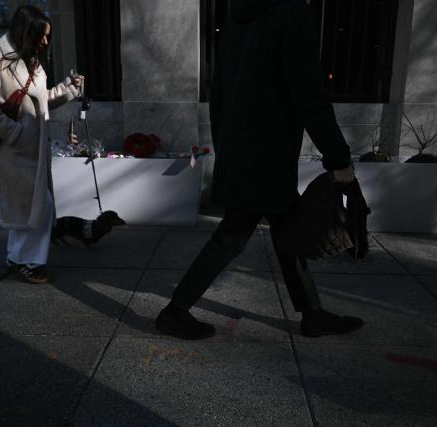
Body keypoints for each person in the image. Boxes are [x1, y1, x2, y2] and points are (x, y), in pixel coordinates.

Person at [155, 0, 364, 340]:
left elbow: (218, 92)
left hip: (244, 150)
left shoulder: (236, 18)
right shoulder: (290, 13)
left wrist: (227, 146)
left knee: (285, 229)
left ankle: (313, 313)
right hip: (270, 153)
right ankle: (175, 311)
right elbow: (309, 94)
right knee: (233, 235)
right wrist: (337, 157)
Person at [0, 5, 83, 284]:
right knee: (38, 207)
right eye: (40, 36)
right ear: (24, 32)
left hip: (31, 150)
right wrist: (14, 133)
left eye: (47, 36)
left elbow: (39, 101)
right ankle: (28, 261)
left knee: (28, 208)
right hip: (15, 150)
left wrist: (68, 87)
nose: (45, 42)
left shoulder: (30, 61)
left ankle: (16, 258)